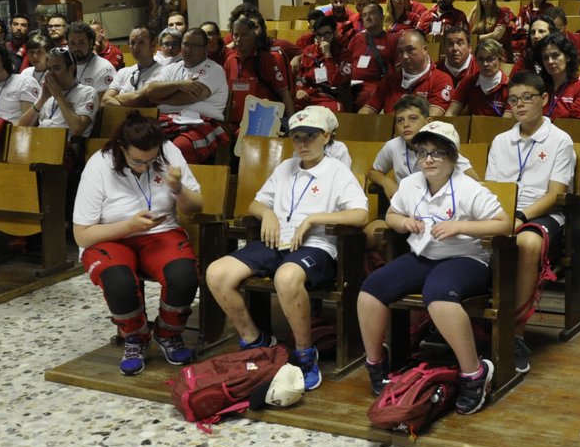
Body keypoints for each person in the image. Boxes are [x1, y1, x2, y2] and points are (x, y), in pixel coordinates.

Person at [203, 106, 368, 389]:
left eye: (310, 136)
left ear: (326, 136)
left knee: (286, 277)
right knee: (217, 272)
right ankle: (256, 341)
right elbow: (257, 203)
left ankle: (305, 353)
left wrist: (314, 219)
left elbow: (360, 215)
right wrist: (267, 214)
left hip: (316, 246)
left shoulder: (337, 171)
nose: (303, 143)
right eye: (297, 137)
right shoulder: (285, 168)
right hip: (276, 243)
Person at [358, 121, 512, 413]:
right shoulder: (411, 184)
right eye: (423, 152)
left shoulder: (468, 187)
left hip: (465, 258)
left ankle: (474, 373)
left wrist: (461, 226)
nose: (428, 160)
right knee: (371, 290)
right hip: (422, 256)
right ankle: (377, 365)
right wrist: (403, 223)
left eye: (438, 153)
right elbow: (392, 215)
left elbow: (505, 224)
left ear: (453, 157)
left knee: (439, 296)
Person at [72, 114, 204, 375]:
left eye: (150, 160)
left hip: (160, 232)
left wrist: (178, 188)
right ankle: (135, 337)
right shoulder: (99, 164)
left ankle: (168, 334)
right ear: (121, 148)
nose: (145, 166)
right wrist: (129, 227)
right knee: (118, 280)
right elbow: (82, 235)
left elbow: (197, 207)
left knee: (184, 275)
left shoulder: (168, 151)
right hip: (110, 236)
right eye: (137, 161)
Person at [485, 71, 577, 376]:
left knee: (526, 242)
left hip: (542, 215)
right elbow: (493, 187)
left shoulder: (560, 141)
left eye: (527, 97)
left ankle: (517, 333)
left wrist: (521, 217)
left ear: (544, 100)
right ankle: (478, 320)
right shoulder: (501, 141)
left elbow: (555, 194)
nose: (519, 104)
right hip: (503, 211)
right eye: (513, 99)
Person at [132, 28, 230, 163]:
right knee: (135, 140)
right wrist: (179, 85)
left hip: (201, 122)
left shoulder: (213, 69)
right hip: (166, 120)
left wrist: (160, 98)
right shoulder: (172, 68)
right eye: (185, 44)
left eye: (194, 46)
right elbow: (150, 91)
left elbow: (189, 97)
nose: (188, 50)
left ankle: (175, 183)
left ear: (205, 48)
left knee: (178, 147)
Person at [222, 12, 295, 126]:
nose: (239, 39)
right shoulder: (230, 60)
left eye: (244, 35)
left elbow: (284, 93)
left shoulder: (265, 58)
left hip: (263, 117)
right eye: (236, 35)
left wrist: (292, 125)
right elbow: (227, 92)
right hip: (237, 117)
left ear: (253, 36)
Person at [358, 30, 452, 116]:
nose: (405, 56)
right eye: (400, 51)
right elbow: (367, 110)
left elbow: (431, 118)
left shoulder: (441, 79)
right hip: (388, 132)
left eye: (410, 49)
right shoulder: (390, 80)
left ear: (425, 50)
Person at [19, 46, 96, 137]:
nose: (51, 73)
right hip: (40, 143)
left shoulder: (87, 92)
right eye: (49, 69)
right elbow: (21, 127)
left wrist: (59, 97)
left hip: (66, 147)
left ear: (71, 68)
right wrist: (42, 99)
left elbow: (77, 129)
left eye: (56, 68)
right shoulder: (47, 93)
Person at [291, 15, 349, 111]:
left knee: (336, 109)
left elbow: (335, 81)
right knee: (287, 105)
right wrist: (298, 90)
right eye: (319, 35)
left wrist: (328, 55)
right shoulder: (309, 50)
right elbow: (300, 76)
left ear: (335, 33)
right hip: (308, 95)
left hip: (329, 97)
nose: (322, 38)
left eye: (327, 34)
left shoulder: (344, 54)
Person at [447, 39, 508, 117]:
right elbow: (451, 113)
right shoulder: (468, 82)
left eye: (490, 59)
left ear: (500, 60)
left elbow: (507, 122)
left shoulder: (509, 86)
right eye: (481, 59)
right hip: (472, 128)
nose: (485, 64)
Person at [347, 2, 391, 98]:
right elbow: (346, 60)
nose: (367, 17)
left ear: (382, 17)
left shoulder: (391, 40)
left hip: (374, 85)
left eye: (372, 13)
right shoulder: (356, 38)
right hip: (352, 84)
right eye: (364, 15)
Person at [66, 21, 116, 97]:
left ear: (91, 42)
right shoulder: (65, 64)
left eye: (81, 43)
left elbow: (101, 106)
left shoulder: (104, 68)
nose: (76, 48)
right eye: (72, 43)